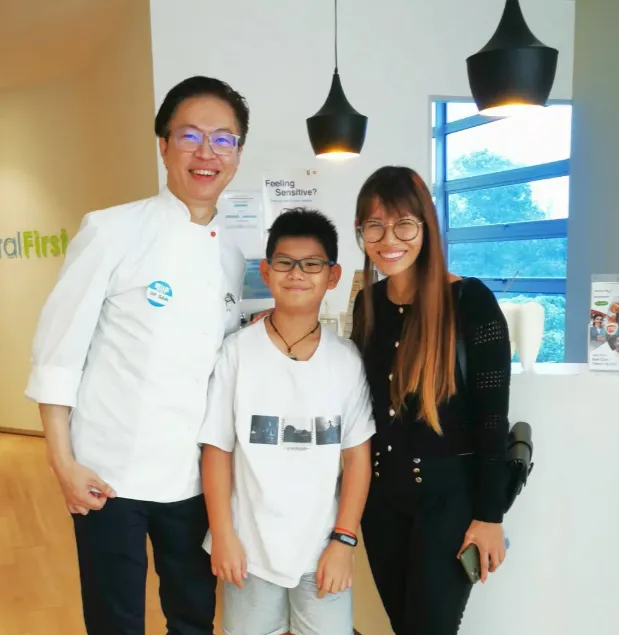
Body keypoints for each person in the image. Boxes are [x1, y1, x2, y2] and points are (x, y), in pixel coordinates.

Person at [24, 76, 250, 635]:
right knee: (115, 622)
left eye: (223, 139)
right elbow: (58, 353)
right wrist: (62, 462)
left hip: (192, 479)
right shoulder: (111, 229)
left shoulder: (233, 256)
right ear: (164, 145)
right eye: (190, 135)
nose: (207, 152)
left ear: (238, 152)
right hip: (108, 475)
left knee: (194, 617)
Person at [198, 208, 375, 635]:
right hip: (249, 550)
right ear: (266, 271)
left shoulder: (346, 361)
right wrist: (222, 535)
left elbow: (358, 459)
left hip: (323, 550)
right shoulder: (237, 353)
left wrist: (344, 540)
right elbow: (217, 450)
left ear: (332, 276)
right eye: (284, 262)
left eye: (312, 264)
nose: (297, 274)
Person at [350, 166, 510, 635]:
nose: (388, 239)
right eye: (374, 226)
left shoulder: (471, 301)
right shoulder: (367, 304)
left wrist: (490, 517)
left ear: (426, 227)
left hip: (449, 503)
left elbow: (492, 421)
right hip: (381, 503)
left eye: (404, 224)